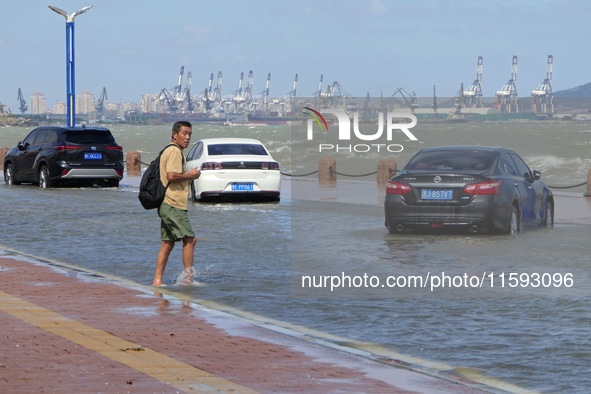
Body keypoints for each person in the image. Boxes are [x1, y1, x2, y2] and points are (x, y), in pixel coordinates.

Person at [152, 121, 201, 286]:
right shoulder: (174, 151)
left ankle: (157, 281)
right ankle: (188, 279)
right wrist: (190, 175)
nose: (187, 138)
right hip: (172, 204)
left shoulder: (169, 149)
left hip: (166, 204)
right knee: (190, 240)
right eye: (184, 133)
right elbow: (172, 176)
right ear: (175, 134)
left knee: (167, 244)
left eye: (190, 134)